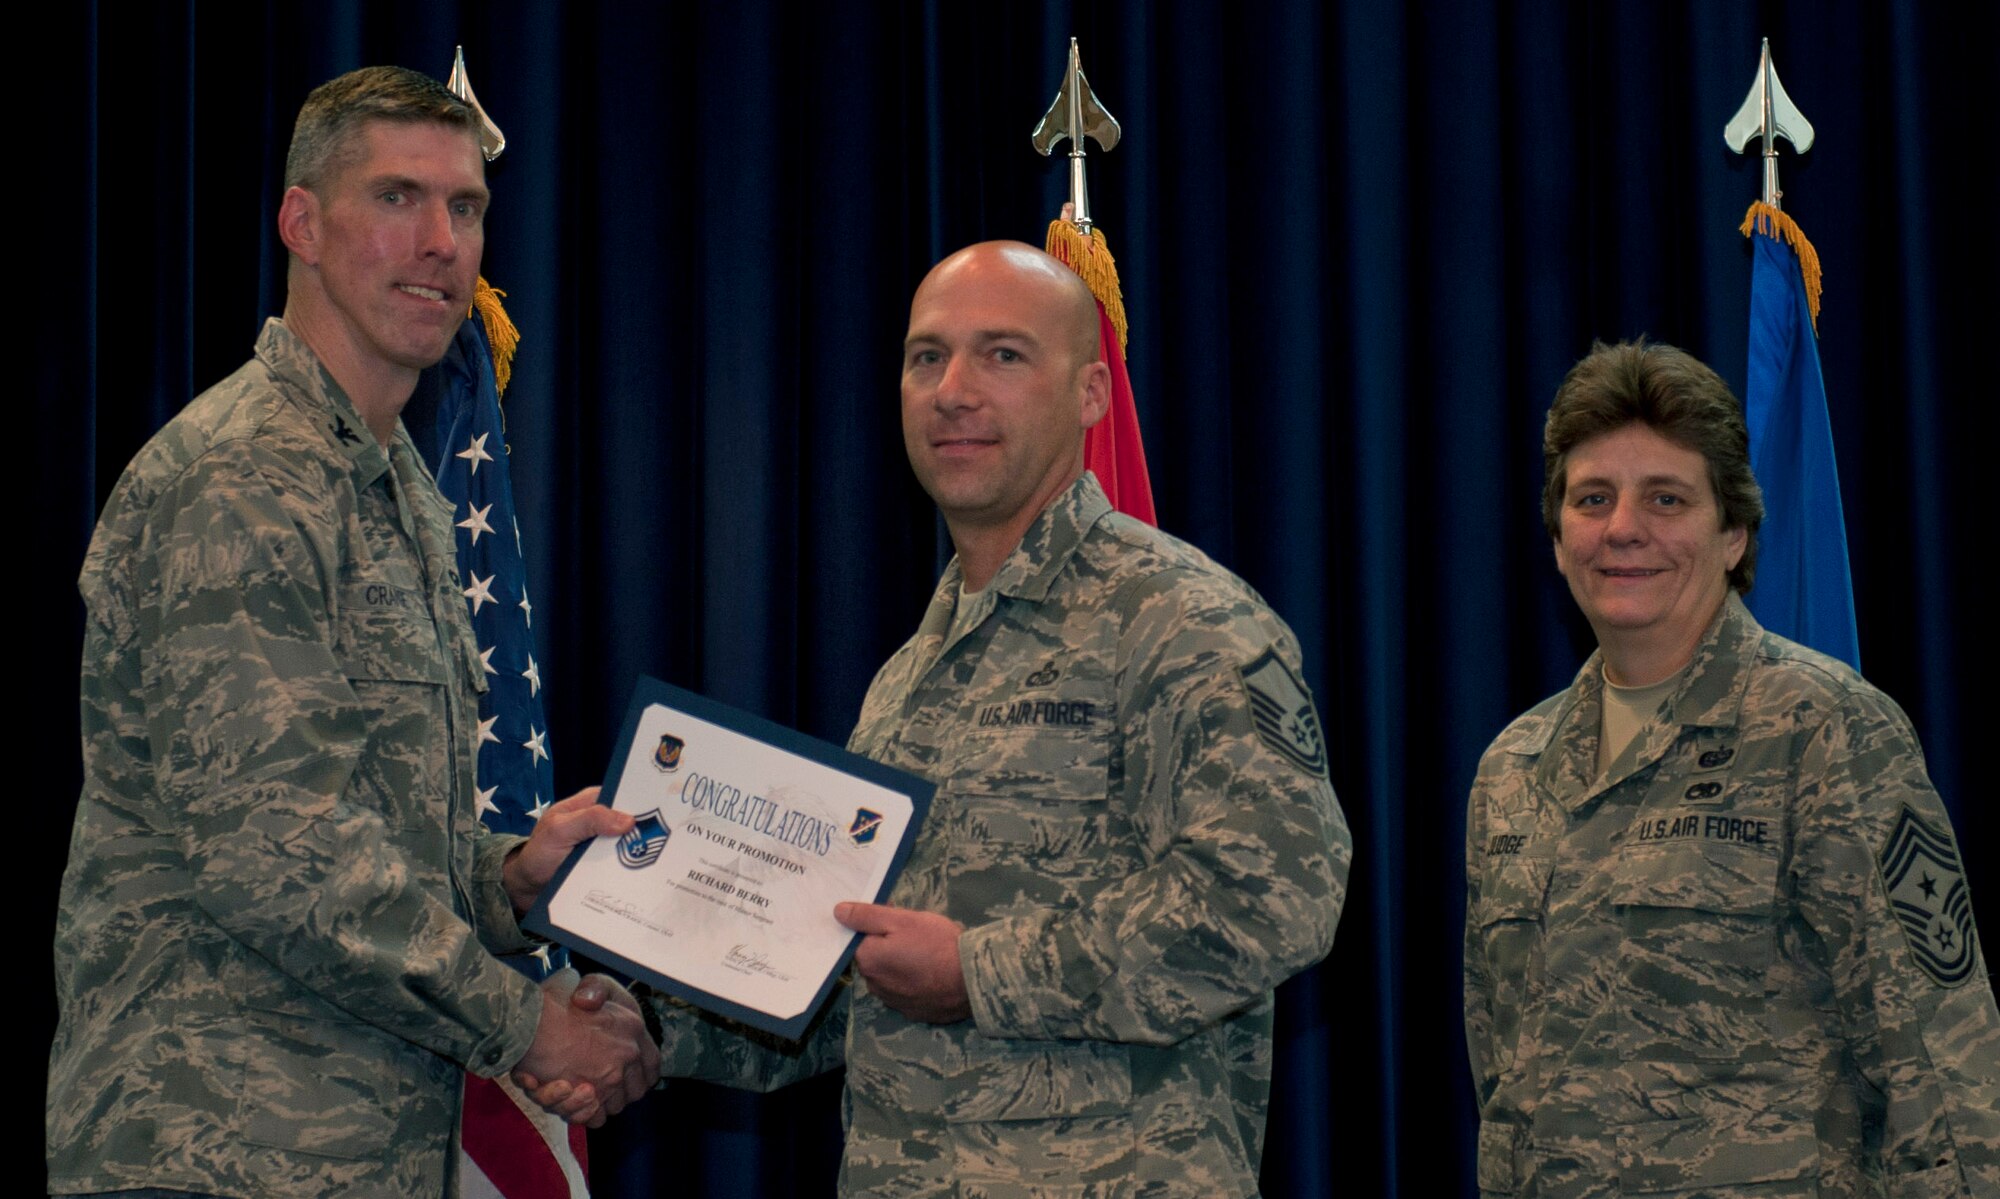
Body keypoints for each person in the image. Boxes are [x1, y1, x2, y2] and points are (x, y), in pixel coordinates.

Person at [535, 241, 1351, 1195]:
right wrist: (655, 1033)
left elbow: (1275, 898)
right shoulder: (912, 671)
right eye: (928, 357)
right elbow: (850, 976)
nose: (953, 390)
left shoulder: (1183, 621)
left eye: (1003, 355)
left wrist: (981, 970)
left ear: (1091, 392)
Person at [47, 66, 657, 1197]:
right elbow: (281, 852)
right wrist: (525, 1025)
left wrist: (508, 881)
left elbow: (366, 834)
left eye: (464, 208)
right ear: (302, 224)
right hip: (214, 1145)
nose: (439, 242)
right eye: (395, 198)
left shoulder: (399, 491)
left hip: (353, 1150)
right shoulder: (239, 475)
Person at [1463, 340, 1999, 1196]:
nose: (1623, 527)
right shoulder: (1513, 770)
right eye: (1592, 498)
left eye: (1666, 498)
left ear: (1733, 533)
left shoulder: (1827, 730)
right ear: (1559, 539)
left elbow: (1941, 1066)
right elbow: (1504, 1077)